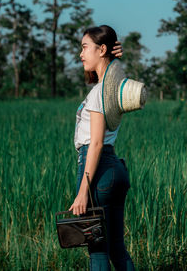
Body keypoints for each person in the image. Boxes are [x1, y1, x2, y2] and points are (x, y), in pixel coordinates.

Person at [69, 25, 135, 271]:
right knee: (117, 248)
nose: (81, 54)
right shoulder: (111, 90)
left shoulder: (99, 94)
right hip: (115, 169)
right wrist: (114, 59)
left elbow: (95, 143)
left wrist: (83, 191)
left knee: (97, 250)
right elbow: (112, 74)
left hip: (96, 170)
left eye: (85, 47)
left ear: (102, 49)